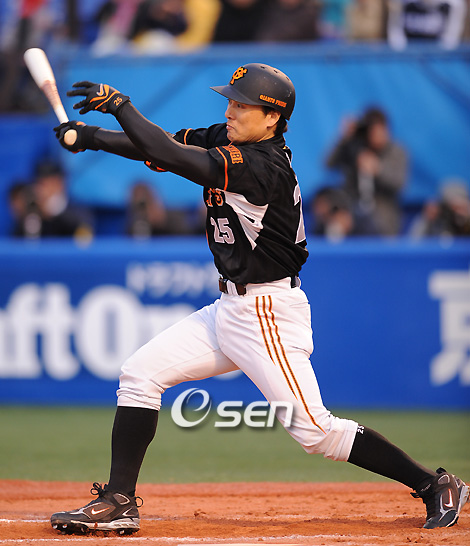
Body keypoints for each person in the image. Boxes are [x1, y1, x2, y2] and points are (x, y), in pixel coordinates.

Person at [51, 63, 468, 535]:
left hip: (267, 313)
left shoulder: (263, 167)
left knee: (316, 432)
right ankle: (120, 500)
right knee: (139, 374)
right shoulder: (231, 140)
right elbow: (162, 144)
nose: (230, 111)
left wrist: (120, 107)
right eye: (231, 101)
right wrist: (92, 137)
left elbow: (168, 152)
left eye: (242, 105)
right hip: (229, 309)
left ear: (273, 118)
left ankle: (434, 484)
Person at [326, 106, 408, 236]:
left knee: (377, 226)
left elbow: (399, 183)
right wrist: (344, 138)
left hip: (381, 215)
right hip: (352, 210)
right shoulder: (355, 148)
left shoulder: (396, 151)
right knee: (334, 222)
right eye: (373, 131)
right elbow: (329, 164)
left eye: (381, 130)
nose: (377, 135)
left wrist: (377, 169)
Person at [387, 0, 468, 50]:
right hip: (407, 58)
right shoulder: (401, 3)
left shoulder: (453, 4)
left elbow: (450, 42)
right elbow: (396, 38)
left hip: (438, 59)